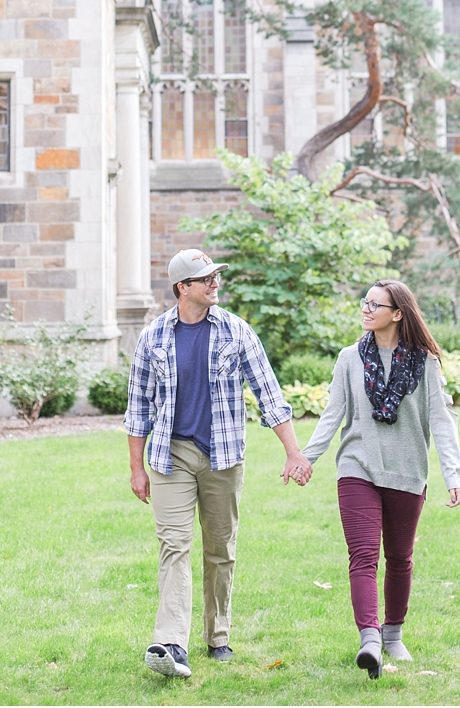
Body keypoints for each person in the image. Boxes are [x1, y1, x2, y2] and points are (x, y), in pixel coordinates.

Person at [124, 248, 314, 679]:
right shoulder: (153, 337)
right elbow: (137, 409)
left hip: (223, 455)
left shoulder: (235, 331)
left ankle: (218, 635)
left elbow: (269, 393)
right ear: (182, 288)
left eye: (215, 276)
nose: (215, 283)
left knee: (220, 549)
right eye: (206, 278)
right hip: (170, 455)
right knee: (174, 545)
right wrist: (136, 467)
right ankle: (172, 643)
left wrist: (293, 450)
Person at [301, 279, 460, 679]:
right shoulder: (349, 358)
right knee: (363, 557)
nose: (366, 309)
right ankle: (369, 639)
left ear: (397, 313)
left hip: (407, 472)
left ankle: (393, 635)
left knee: (399, 559)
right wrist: (307, 457)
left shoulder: (425, 364)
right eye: (365, 302)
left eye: (375, 304)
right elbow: (333, 414)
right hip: (357, 467)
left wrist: (452, 472)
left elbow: (441, 421)